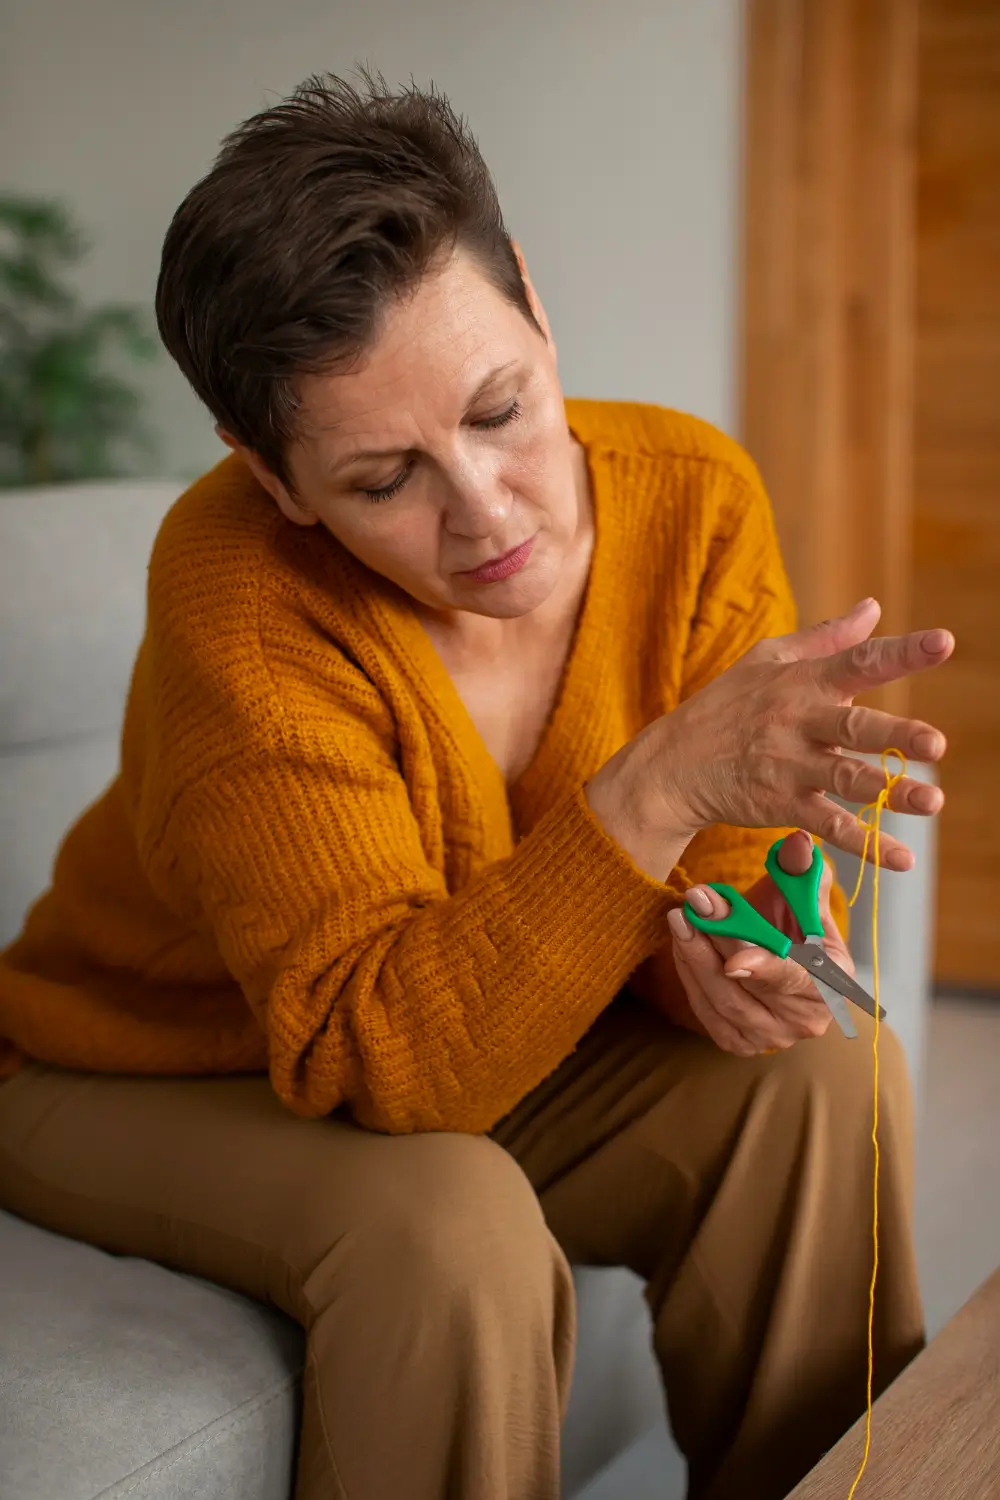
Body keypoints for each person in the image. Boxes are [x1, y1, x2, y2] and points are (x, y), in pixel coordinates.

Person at [0, 72, 954, 1500]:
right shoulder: (241, 601)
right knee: (450, 1228)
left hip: (458, 1023)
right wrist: (655, 788)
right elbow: (379, 1061)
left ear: (538, 311)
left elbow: (698, 888)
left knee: (825, 1077)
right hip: (140, 1062)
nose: (490, 510)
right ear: (274, 479)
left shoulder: (692, 498)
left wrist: (708, 962)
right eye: (386, 479)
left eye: (502, 408)